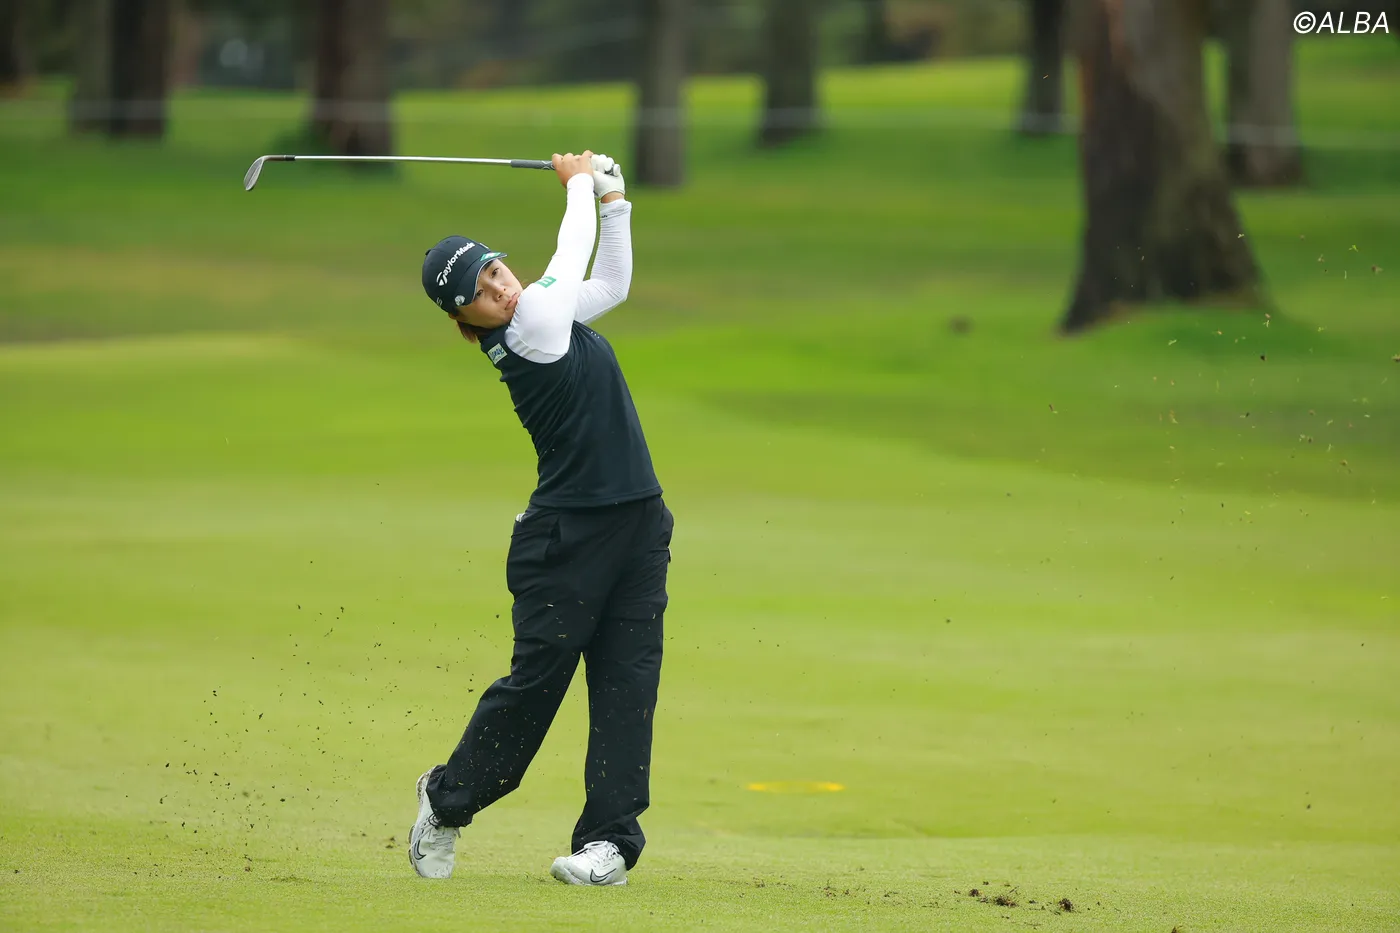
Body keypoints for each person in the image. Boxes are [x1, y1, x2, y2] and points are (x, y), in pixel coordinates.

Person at [407, 151, 672, 887]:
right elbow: (569, 252)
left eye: (494, 269)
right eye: (478, 292)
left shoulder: (542, 314)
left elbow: (610, 283)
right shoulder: (527, 334)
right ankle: (445, 800)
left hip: (638, 522)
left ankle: (609, 844)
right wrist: (579, 182)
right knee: (537, 689)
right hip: (565, 540)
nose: (499, 287)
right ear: (463, 319)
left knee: (628, 684)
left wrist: (614, 201)